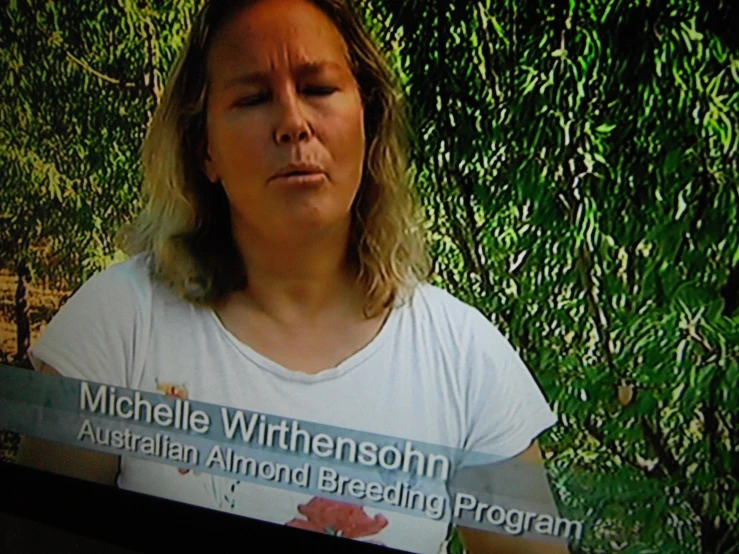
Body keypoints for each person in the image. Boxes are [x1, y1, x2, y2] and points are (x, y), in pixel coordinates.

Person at [18, 0, 567, 552]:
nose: (292, 123)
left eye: (318, 89)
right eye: (253, 98)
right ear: (204, 147)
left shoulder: (466, 359)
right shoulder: (116, 328)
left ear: (368, 120)